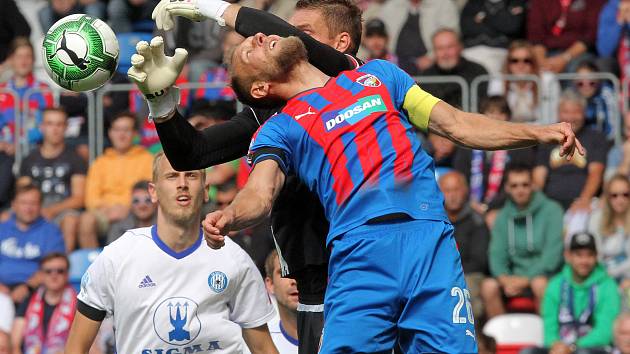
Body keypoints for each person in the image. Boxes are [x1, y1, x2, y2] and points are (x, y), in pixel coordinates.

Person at [168, 30, 586, 350]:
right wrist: (230, 216)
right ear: (260, 89)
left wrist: (537, 131)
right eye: (248, 51)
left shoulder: (379, 76)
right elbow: (261, 192)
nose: (258, 36)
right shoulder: (281, 127)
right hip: (359, 256)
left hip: (431, 245)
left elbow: (456, 124)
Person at [150, 1, 364, 352]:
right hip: (312, 286)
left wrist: (213, 7)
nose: (287, 37)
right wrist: (160, 104)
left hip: (360, 272)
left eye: (302, 33)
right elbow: (194, 153)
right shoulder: (271, 114)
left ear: (340, 44)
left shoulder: (355, 80)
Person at [65, 152, 279, 354]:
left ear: (205, 191)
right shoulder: (117, 257)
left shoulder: (235, 258)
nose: (182, 184)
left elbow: (263, 349)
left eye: (191, 176)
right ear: (153, 192)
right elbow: (76, 348)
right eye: (172, 176)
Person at [482, 165, 564, 319]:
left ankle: (546, 339)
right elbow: (496, 254)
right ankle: (500, 340)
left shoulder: (552, 210)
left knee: (540, 284)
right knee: (488, 287)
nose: (520, 190)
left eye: (525, 185)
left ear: (533, 185)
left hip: (545, 276)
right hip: (513, 278)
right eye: (514, 185)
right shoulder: (503, 216)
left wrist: (525, 280)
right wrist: (504, 279)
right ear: (507, 188)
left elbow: (552, 257)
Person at [522, 232, 620, 354]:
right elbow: (549, 325)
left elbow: (605, 331)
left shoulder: (607, 285)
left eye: (589, 255)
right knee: (527, 352)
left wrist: (573, 347)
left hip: (592, 348)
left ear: (596, 257)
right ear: (568, 256)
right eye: (578, 255)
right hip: (559, 348)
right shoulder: (555, 284)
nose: (584, 261)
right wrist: (555, 344)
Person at [78, 111, 153, 248]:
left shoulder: (147, 159)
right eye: (117, 130)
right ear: (110, 133)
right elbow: (91, 198)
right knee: (86, 220)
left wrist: (126, 208)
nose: (121, 135)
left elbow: (150, 192)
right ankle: (97, 266)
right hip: (105, 213)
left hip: (135, 210)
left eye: (126, 130)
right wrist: (107, 209)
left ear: (135, 134)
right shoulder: (100, 162)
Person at [18, 107, 87, 252]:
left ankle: (61, 267)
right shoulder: (29, 159)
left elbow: (79, 198)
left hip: (63, 209)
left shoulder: (76, 159)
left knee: (70, 221)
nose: (54, 129)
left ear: (66, 127)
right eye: (50, 124)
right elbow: (21, 194)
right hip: (34, 207)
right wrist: (35, 209)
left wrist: (50, 210)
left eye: (59, 124)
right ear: (41, 127)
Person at [534, 90, 608, 211]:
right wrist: (537, 202)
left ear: (584, 113)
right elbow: (539, 175)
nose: (571, 117)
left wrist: (584, 200)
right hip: (550, 202)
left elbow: (596, 173)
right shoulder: (548, 137)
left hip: (584, 202)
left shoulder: (596, 138)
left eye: (576, 112)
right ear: (558, 113)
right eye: (566, 112)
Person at [0, 183, 65, 305]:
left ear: (40, 206)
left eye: (33, 203)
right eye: (24, 203)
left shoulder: (51, 231)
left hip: (36, 291)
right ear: (13, 205)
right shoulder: (2, 228)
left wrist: (27, 287)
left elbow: (54, 266)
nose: (28, 208)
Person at [438, 170, 490, 321]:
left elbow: (479, 261)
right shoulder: (433, 221)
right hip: (438, 274)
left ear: (465, 191)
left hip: (468, 275)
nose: (452, 195)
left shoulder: (476, 220)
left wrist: (452, 274)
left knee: (465, 294)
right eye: (447, 191)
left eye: (456, 190)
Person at [10, 253, 75, 354]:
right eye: (48, 271)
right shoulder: (29, 300)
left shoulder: (78, 303)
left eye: (60, 271)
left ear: (67, 274)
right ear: (41, 275)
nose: (54, 275)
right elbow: (15, 344)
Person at [376, 0, 459, 75]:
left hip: (432, 66)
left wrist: (431, 57)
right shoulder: (390, 6)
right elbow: (379, 37)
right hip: (395, 66)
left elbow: (450, 38)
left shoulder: (444, 4)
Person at [487, 40, 561, 124]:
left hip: (540, 133)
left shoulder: (547, 80)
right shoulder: (498, 81)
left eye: (526, 60)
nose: (520, 65)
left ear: (533, 63)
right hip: (507, 133)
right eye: (514, 60)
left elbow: (550, 119)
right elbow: (494, 118)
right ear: (508, 63)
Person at [0, 38, 52, 151]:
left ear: (33, 60)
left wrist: (20, 144)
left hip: (34, 149)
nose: (23, 61)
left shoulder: (43, 90)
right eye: (19, 57)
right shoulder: (2, 90)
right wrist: (3, 144)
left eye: (28, 56)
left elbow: (46, 125)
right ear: (11, 60)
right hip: (4, 151)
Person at [527, 0, 607, 74]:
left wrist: (564, 58)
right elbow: (535, 36)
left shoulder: (592, 2)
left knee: (579, 70)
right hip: (546, 53)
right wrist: (542, 63)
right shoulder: (540, 2)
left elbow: (590, 36)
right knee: (526, 65)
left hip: (577, 54)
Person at [421, 28, 488, 109]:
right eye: (440, 48)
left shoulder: (478, 72)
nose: (445, 53)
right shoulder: (425, 77)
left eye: (450, 47)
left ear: (460, 47)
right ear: (434, 51)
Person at [459, 0, 526, 76]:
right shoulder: (473, 3)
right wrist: (499, 24)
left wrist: (485, 17)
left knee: (490, 66)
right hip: (471, 50)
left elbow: (512, 26)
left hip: (500, 51)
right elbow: (466, 28)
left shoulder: (514, 2)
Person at [587, 175, 630, 285]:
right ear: (607, 197)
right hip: (602, 276)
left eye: (625, 195)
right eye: (614, 195)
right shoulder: (596, 219)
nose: (620, 200)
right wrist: (605, 276)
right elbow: (594, 252)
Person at [573, 60, 618, 140]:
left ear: (598, 80)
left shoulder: (607, 95)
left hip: (604, 142)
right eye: (580, 83)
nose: (586, 86)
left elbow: (614, 129)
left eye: (591, 82)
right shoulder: (571, 96)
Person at [265, 250, 299, 353]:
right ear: (270, 284)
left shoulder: (341, 335)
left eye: (303, 272)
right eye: (285, 272)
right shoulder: (260, 342)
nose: (294, 280)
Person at [106, 180, 156, 244]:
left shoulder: (165, 228)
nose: (142, 206)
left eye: (148, 200)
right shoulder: (118, 228)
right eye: (136, 201)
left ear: (156, 202)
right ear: (130, 204)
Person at [597, 0, 630, 99]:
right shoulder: (610, 9)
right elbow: (604, 51)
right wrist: (619, 22)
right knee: (602, 64)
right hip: (620, 67)